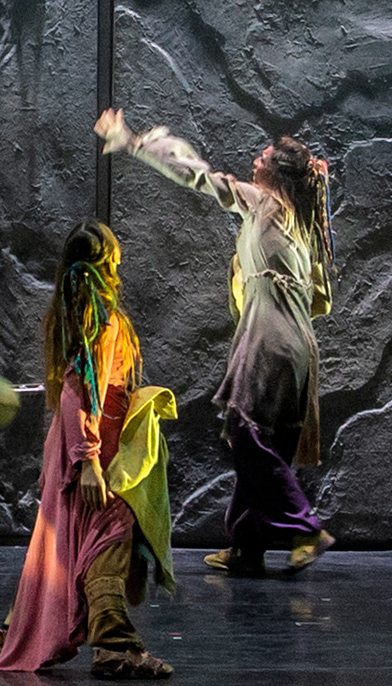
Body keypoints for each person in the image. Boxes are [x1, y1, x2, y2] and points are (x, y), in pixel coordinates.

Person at [96, 105, 335, 574]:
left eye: (263, 158)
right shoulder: (303, 224)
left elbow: (201, 177)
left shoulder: (265, 203)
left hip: (269, 335)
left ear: (276, 174)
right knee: (271, 441)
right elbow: (319, 298)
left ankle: (304, 528)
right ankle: (247, 547)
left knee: (247, 433)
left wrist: (134, 142)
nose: (256, 161)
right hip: (300, 344)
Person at [0, 222, 178, 677]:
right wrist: (89, 459)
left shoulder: (74, 313)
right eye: (116, 257)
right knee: (107, 538)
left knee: (64, 541)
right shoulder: (101, 320)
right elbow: (80, 389)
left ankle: (12, 630)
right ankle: (116, 646)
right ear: (107, 262)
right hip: (95, 446)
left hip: (79, 442)